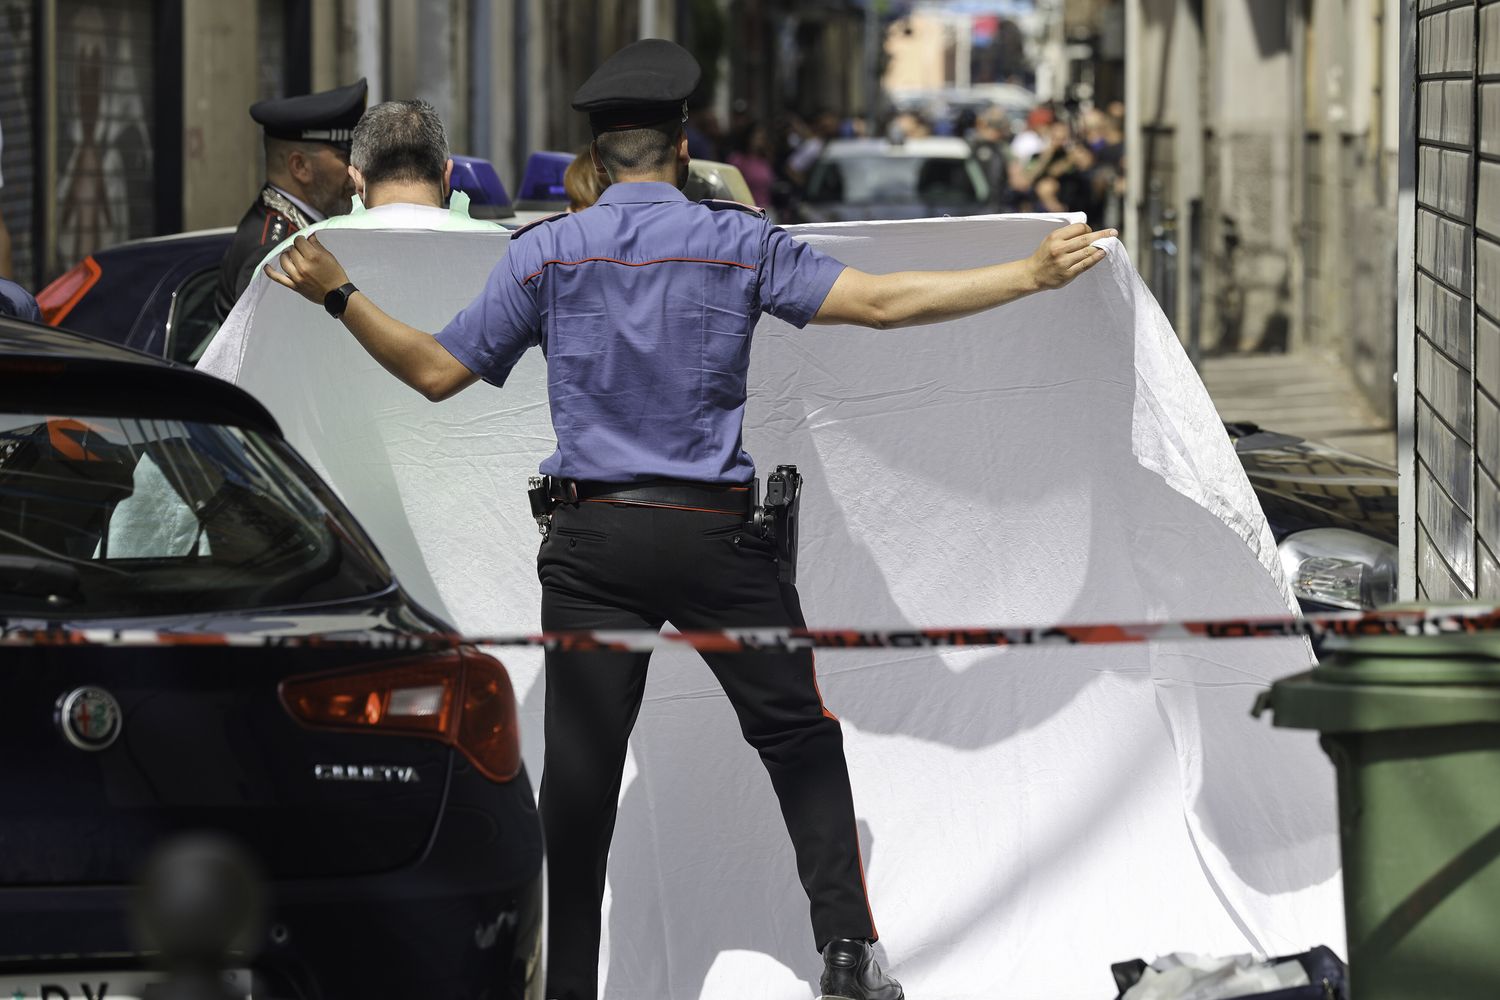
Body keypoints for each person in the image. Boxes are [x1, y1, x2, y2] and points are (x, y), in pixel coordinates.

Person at [265, 38, 1114, 1000]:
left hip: (592, 547)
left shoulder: (546, 251)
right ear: (678, 144)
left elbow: (432, 371)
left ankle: (569, 990)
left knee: (578, 792)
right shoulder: (737, 239)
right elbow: (879, 305)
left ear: (597, 151)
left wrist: (338, 290)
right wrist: (1028, 274)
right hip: (721, 539)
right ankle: (845, 952)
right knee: (799, 739)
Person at [200, 99, 500, 371]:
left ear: (357, 180)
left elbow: (238, 374)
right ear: (447, 176)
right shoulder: (511, 252)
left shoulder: (291, 257)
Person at [213, 78, 368, 322]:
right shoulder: (272, 249)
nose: (353, 170)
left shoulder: (296, 232)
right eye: (344, 156)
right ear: (300, 166)